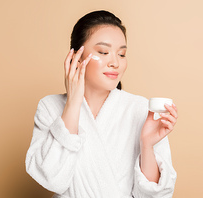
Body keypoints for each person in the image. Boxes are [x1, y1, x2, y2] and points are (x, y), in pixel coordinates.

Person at [25, 10, 178, 198]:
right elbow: (51, 180)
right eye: (104, 52)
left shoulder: (140, 109)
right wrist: (73, 103)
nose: (115, 62)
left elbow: (155, 196)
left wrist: (147, 145)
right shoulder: (50, 107)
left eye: (121, 54)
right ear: (77, 57)